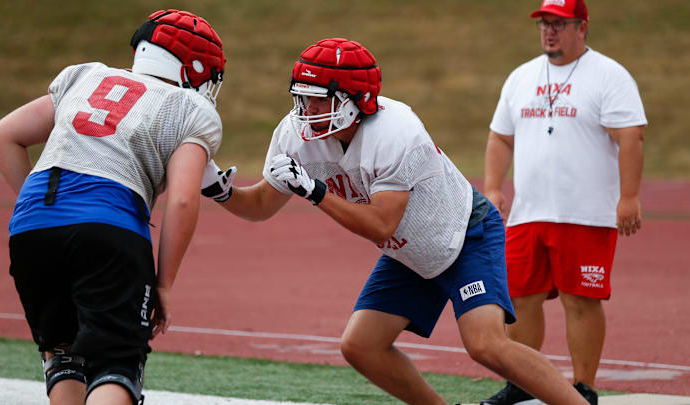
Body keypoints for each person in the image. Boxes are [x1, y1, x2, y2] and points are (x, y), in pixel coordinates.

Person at [201, 37, 589, 405]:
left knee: (485, 344)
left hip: (463, 233)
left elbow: (381, 225)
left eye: (318, 100)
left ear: (354, 100)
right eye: (301, 97)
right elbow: (261, 205)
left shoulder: (395, 130)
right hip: (410, 251)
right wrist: (219, 190)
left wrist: (316, 192)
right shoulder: (294, 133)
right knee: (360, 346)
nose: (306, 109)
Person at [0, 9, 227, 405]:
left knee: (62, 353)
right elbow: (183, 199)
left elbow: (2, 136)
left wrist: (44, 213)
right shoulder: (191, 107)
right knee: (117, 363)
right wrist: (164, 283)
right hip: (109, 225)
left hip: (31, 223)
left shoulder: (85, 75)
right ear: (194, 68)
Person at [480, 0, 647, 404]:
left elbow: (630, 136)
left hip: (585, 212)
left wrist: (628, 197)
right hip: (529, 211)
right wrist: (493, 188)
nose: (549, 31)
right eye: (544, 23)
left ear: (581, 27)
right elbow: (501, 137)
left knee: (581, 299)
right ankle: (522, 383)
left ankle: (583, 386)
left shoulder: (608, 75)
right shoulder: (521, 77)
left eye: (558, 23)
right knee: (519, 298)